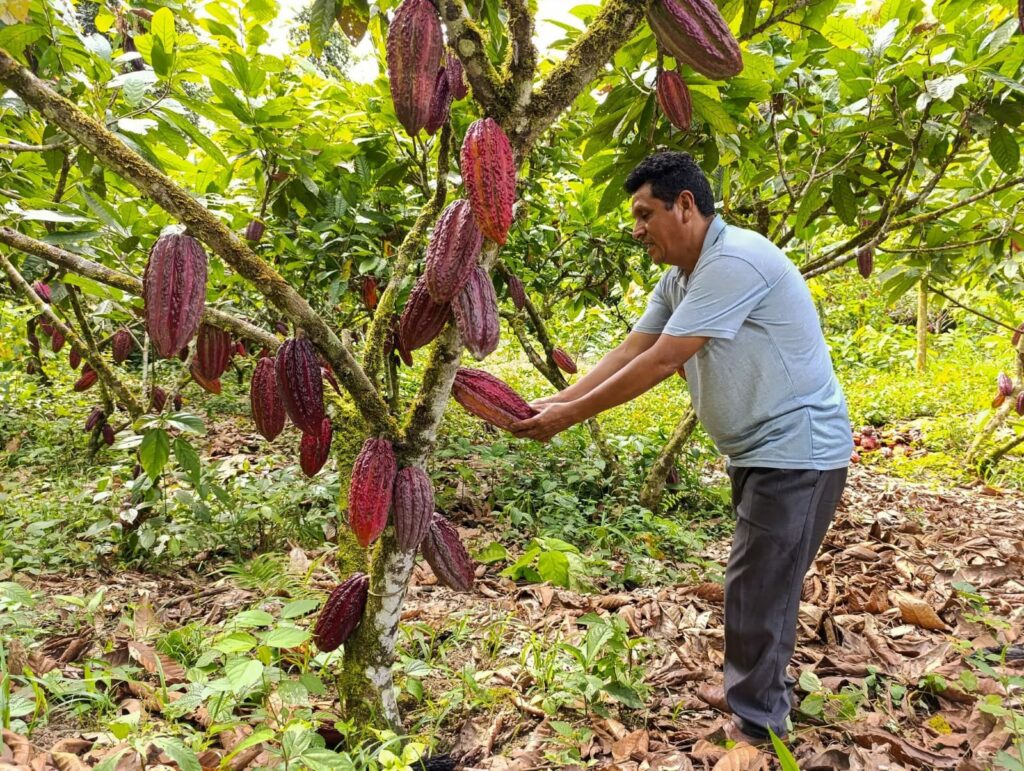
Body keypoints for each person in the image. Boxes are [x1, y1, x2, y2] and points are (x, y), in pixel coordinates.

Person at [509, 151, 852, 744]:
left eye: (645, 214)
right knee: (761, 580)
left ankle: (759, 727)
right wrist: (556, 400)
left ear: (685, 206)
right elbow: (630, 350)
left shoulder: (735, 261)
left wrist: (569, 418)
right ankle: (759, 692)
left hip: (800, 449)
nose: (637, 229)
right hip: (759, 451)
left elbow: (667, 358)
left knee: (759, 583)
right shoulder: (681, 279)